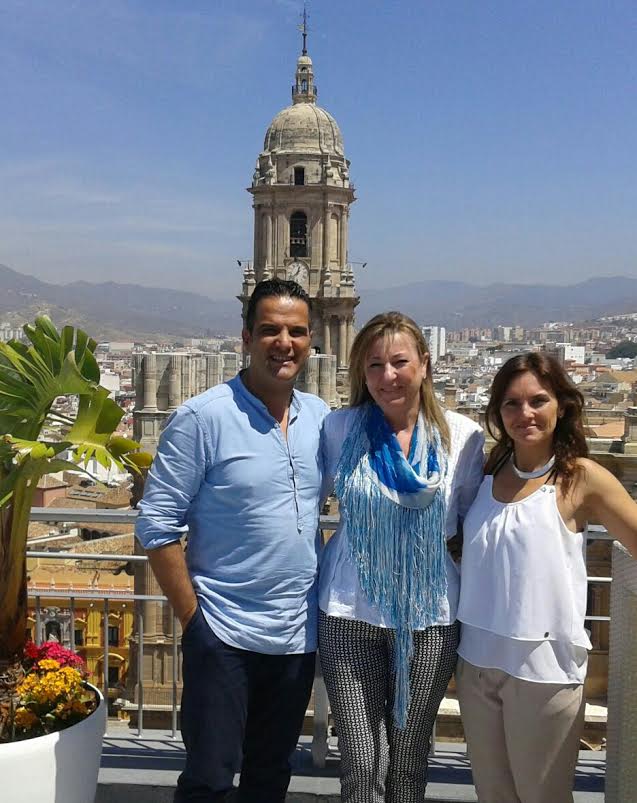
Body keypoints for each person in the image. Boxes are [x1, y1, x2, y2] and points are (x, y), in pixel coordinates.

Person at [135, 279, 329, 803]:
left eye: (295, 332)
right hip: (223, 635)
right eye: (269, 330)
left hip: (296, 638)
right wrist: (195, 623)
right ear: (245, 337)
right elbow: (156, 525)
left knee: (270, 777)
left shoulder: (321, 420)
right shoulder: (202, 418)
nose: (283, 342)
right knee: (210, 782)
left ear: (311, 341)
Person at [318, 311, 485, 803]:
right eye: (373, 366)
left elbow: (473, 524)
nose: (387, 376)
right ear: (360, 374)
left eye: (398, 362)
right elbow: (299, 503)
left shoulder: (464, 436)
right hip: (348, 612)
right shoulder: (339, 429)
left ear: (424, 364)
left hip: (430, 617)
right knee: (361, 761)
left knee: (410, 759)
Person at [456, 352, 637, 803]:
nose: (525, 414)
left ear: (562, 406)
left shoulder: (581, 479)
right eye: (512, 404)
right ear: (498, 412)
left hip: (544, 670)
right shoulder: (486, 471)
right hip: (476, 661)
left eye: (538, 400)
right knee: (493, 795)